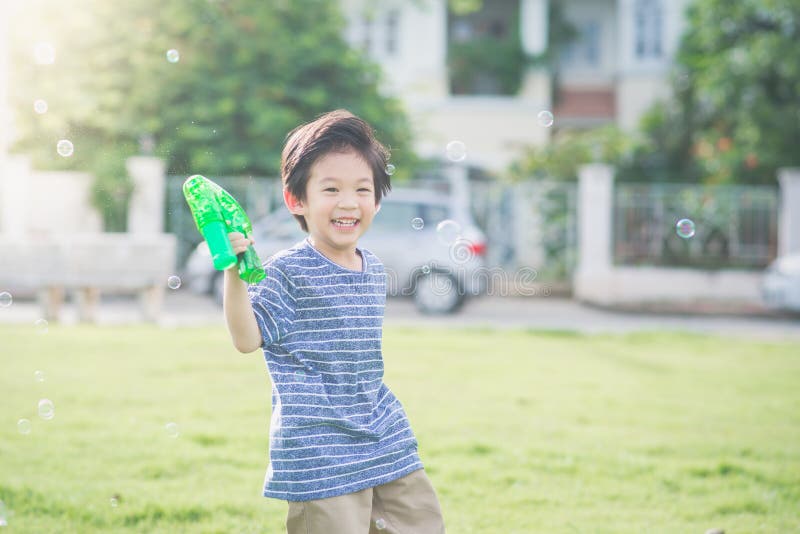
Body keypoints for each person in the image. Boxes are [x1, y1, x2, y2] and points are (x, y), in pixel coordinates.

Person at [222, 109, 446, 533]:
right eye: (331, 189)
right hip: (320, 449)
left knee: (422, 523)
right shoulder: (287, 271)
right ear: (296, 200)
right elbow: (246, 338)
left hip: (383, 434)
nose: (348, 202)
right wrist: (235, 273)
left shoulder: (373, 268)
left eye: (362, 189)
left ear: (377, 199)